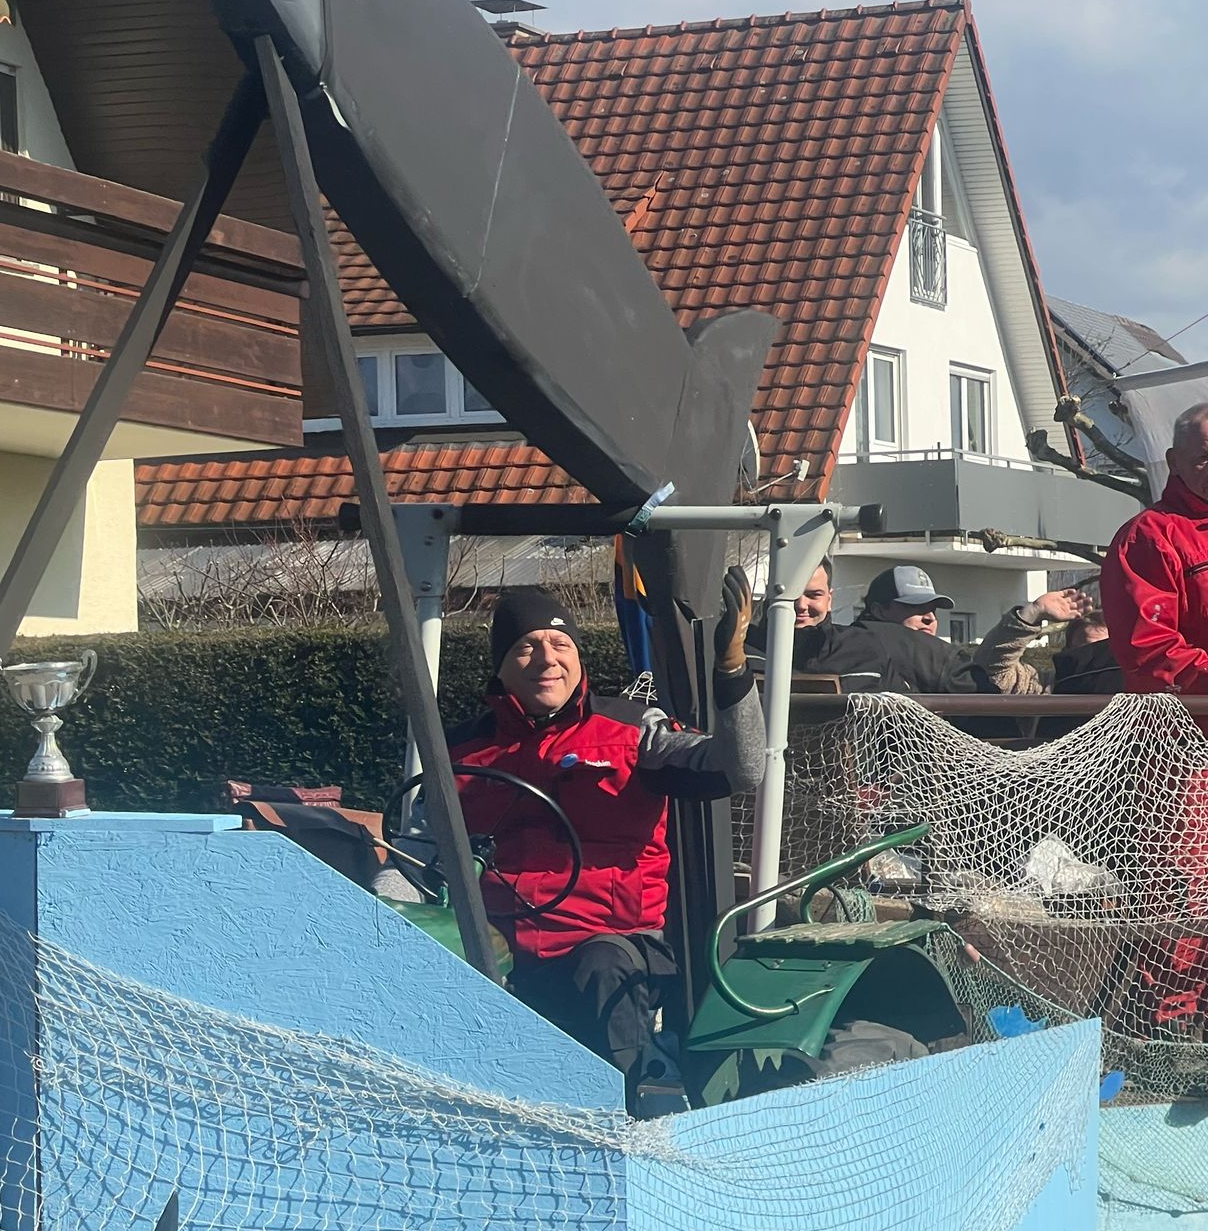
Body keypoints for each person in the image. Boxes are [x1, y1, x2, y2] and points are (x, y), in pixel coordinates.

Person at [446, 575, 763, 1101]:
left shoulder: (633, 731)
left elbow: (743, 768)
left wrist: (731, 673)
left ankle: (631, 1106)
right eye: (526, 646)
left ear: (578, 657)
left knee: (602, 967)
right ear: (500, 665)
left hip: (608, 940)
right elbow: (422, 847)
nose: (547, 658)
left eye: (560, 643)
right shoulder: (458, 750)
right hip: (497, 939)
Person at [790, 562, 1089, 696]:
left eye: (933, 609)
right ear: (879, 612)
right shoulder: (869, 648)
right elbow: (990, 677)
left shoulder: (836, 645)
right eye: (914, 608)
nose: (929, 618)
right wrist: (1031, 614)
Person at [1101, 404, 1208, 692]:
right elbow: (1149, 649)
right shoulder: (1148, 537)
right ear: (1174, 462)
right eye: (1203, 458)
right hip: (1189, 718)